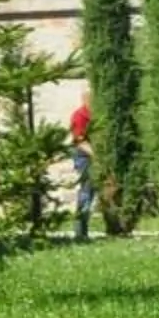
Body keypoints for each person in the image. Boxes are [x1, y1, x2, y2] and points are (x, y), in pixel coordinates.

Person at [68, 100, 96, 241]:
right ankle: (80, 230)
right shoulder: (80, 115)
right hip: (84, 156)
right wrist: (97, 155)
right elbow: (79, 141)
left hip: (95, 155)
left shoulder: (97, 114)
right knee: (86, 190)